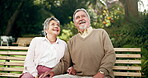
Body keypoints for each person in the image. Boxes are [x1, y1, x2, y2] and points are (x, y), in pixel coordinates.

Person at [39, 8, 116, 78]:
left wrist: (102, 72)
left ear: (89, 20)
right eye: (77, 18)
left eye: (83, 16)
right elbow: (65, 62)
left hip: (100, 75)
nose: (81, 19)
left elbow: (110, 54)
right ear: (75, 23)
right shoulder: (72, 40)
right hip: (78, 76)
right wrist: (53, 72)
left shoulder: (101, 33)